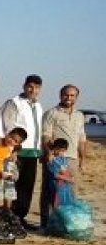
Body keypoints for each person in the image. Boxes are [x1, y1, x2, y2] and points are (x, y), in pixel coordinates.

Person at [39, 85, 88, 229]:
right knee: (50, 190)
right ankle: (46, 223)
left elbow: (82, 138)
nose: (69, 98)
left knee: (70, 190)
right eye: (66, 95)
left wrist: (83, 159)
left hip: (72, 158)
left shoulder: (79, 115)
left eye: (72, 95)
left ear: (76, 97)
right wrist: (49, 153)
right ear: (60, 95)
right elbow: (46, 135)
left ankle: (66, 221)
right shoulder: (51, 113)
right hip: (55, 158)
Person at [1, 75, 43, 228]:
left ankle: (21, 217)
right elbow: (7, 126)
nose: (33, 90)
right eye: (30, 86)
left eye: (37, 87)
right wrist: (12, 149)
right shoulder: (14, 103)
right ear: (24, 86)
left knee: (27, 186)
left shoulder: (38, 106)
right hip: (18, 151)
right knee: (13, 185)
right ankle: (9, 216)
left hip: (33, 151)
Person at [46, 139, 76, 207]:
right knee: (56, 204)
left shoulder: (63, 159)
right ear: (54, 148)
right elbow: (55, 174)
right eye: (58, 149)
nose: (60, 152)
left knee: (65, 203)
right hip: (55, 186)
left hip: (65, 186)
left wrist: (71, 175)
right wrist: (68, 179)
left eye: (62, 151)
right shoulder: (52, 159)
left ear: (65, 150)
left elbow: (67, 169)